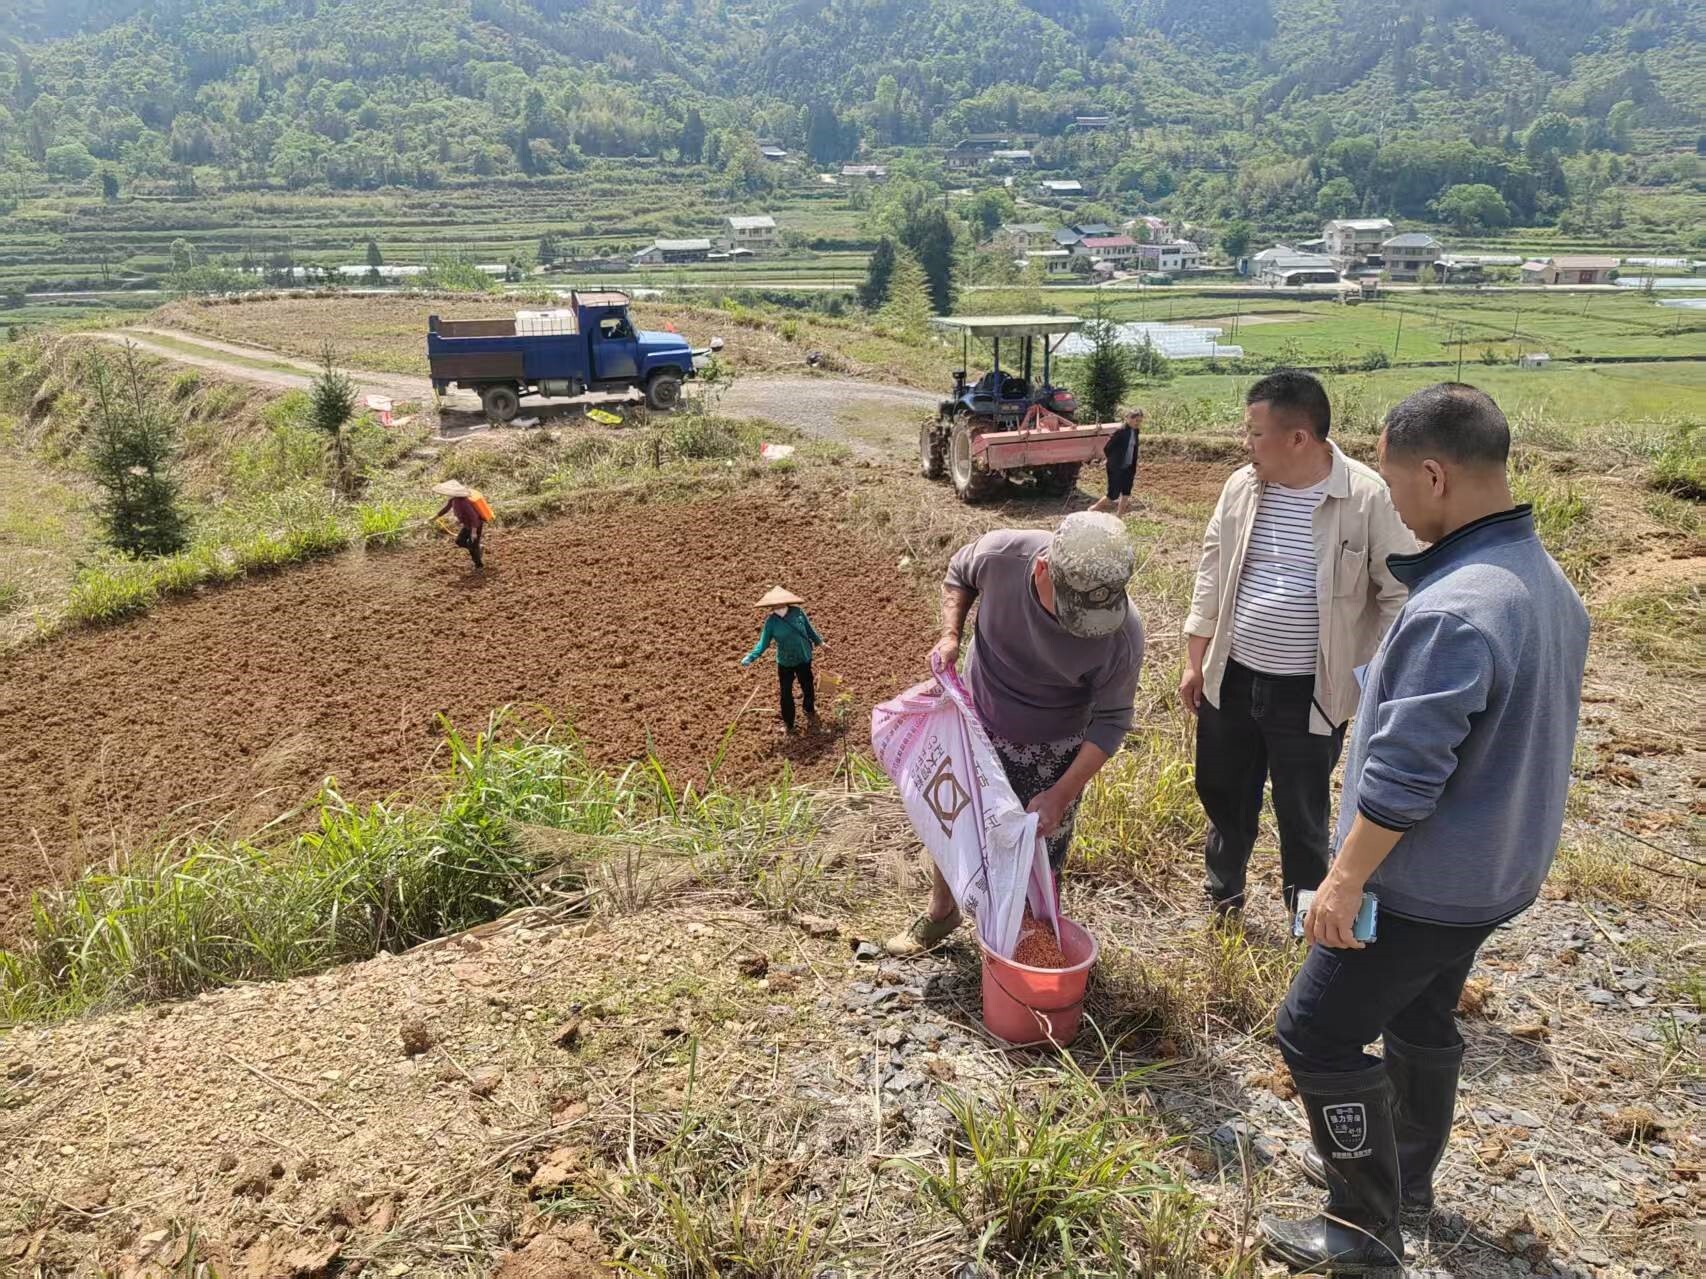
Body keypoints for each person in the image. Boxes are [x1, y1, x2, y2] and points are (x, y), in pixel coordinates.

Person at [1258, 384, 1590, 1274]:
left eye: (1397, 482)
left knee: (1315, 1031)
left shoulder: (1456, 609)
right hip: (1493, 876)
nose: (1393, 504)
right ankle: (1406, 1179)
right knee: (1422, 1013)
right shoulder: (1544, 582)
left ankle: (1362, 1227)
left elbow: (1406, 777)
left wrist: (1343, 880)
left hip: (1418, 885)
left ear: (1436, 475)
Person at [1180, 371, 1416, 917]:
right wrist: (1196, 659)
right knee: (1223, 796)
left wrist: (1370, 678)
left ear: (1298, 438)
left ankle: (1304, 920)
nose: (1246, 443)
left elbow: (1400, 593)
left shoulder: (1365, 498)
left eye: (1254, 433)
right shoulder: (1241, 487)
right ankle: (1223, 898)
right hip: (1232, 676)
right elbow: (1212, 570)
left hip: (1311, 693)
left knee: (1302, 814)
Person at [885, 512, 1144, 957]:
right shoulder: (1004, 554)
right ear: (1043, 569)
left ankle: (1023, 945)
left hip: (1053, 750)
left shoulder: (1122, 634)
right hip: (976, 720)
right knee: (955, 820)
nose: (1080, 628)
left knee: (1036, 849)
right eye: (1072, 611)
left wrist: (1061, 793)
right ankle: (942, 912)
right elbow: (959, 573)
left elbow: (1113, 719)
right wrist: (950, 635)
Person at [740, 587, 826, 734]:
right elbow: (763, 643)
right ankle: (789, 722)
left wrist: (821, 643)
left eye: (779, 602)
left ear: (785, 601)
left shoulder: (798, 612)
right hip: (785, 662)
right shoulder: (771, 622)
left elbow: (809, 629)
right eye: (774, 604)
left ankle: (809, 708)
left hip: (803, 656)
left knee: (807, 685)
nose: (777, 605)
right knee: (786, 693)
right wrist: (752, 656)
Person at [1091, 407, 1143, 516]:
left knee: (1126, 492)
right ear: (1129, 418)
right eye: (1136, 420)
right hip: (1116, 468)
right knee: (1112, 495)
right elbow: (1107, 448)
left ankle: (1119, 517)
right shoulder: (1120, 431)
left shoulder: (1135, 431)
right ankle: (1092, 510)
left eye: (1140, 421)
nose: (1138, 423)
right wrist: (1113, 461)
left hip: (1129, 467)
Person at [432, 480, 490, 571]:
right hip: (467, 525)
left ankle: (479, 566)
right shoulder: (453, 500)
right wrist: (434, 517)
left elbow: (474, 517)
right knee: (459, 541)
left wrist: (473, 532)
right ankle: (478, 548)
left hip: (476, 526)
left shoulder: (464, 502)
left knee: (472, 546)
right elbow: (446, 509)